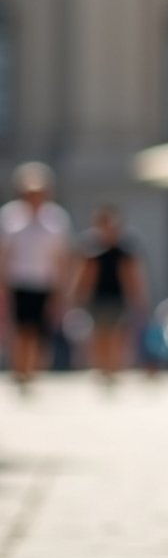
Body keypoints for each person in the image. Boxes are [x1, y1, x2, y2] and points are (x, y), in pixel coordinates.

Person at [0, 162, 73, 389]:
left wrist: (62, 290)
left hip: (45, 283)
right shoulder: (9, 217)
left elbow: (62, 257)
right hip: (18, 281)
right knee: (20, 328)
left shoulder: (57, 219)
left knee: (39, 331)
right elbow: (4, 254)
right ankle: (20, 370)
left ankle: (31, 371)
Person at [72, 205, 148, 382]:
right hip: (98, 296)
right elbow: (86, 274)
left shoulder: (124, 250)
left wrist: (138, 298)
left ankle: (114, 368)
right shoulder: (92, 249)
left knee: (117, 334)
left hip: (117, 297)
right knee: (99, 333)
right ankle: (102, 368)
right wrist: (78, 294)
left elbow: (131, 276)